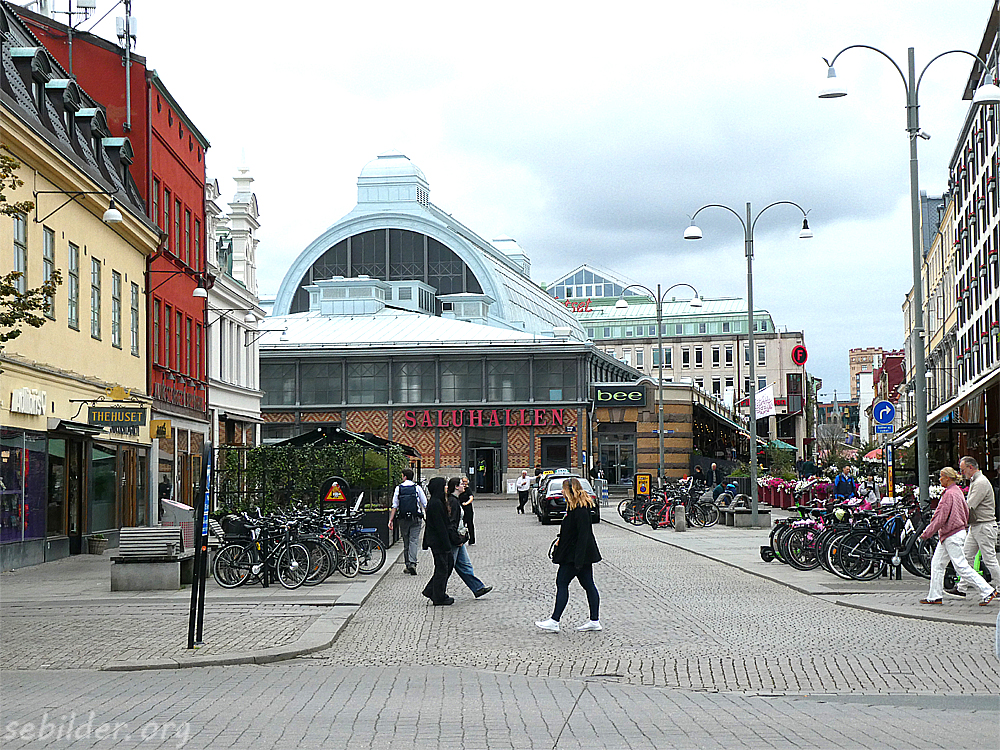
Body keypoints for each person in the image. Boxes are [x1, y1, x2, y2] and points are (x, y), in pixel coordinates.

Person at [919, 467, 998, 606]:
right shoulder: (957, 492)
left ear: (948, 478)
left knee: (961, 566)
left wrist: (927, 533)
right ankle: (934, 596)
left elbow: (940, 518)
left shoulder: (949, 494)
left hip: (951, 534)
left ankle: (987, 590)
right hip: (953, 533)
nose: (939, 479)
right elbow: (966, 510)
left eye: (941, 476)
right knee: (937, 564)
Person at [536, 477, 602, 633]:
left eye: (563, 489)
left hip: (575, 556)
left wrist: (578, 560)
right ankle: (594, 620)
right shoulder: (575, 507)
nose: (561, 492)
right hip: (578, 555)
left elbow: (583, 536)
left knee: (562, 583)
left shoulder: (580, 509)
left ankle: (555, 620)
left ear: (570, 490)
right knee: (588, 585)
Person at [949, 456, 1000, 599]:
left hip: (984, 525)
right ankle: (961, 587)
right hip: (977, 525)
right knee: (967, 557)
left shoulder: (980, 482)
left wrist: (955, 516)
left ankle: (999, 587)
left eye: (963, 470)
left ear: (971, 467)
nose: (962, 473)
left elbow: (969, 505)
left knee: (989, 559)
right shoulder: (976, 481)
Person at [446, 477, 492, 599]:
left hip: (459, 538)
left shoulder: (455, 499)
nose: (464, 485)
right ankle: (433, 589)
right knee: (447, 567)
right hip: (456, 538)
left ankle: (478, 588)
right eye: (461, 484)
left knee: (465, 565)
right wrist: (457, 539)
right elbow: (452, 523)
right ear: (456, 486)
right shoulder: (453, 501)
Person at [420, 477, 455, 605]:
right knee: (442, 568)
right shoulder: (436, 504)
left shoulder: (437, 502)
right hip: (438, 542)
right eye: (444, 485)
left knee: (447, 565)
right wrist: (446, 544)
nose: (446, 488)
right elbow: (440, 527)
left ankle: (431, 590)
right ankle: (438, 596)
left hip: (438, 540)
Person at [388, 468, 427, 575]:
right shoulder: (417, 488)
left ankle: (407, 564)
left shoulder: (398, 488)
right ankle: (413, 563)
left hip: (403, 518)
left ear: (404, 477)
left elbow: (395, 505)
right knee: (414, 540)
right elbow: (424, 503)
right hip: (416, 518)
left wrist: (391, 520)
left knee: (406, 541)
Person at [459, 476, 476, 544]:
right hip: (460, 508)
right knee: (461, 524)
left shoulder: (468, 489)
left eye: (465, 482)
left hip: (468, 509)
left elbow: (471, 498)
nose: (464, 483)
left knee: (470, 524)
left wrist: (466, 503)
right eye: (463, 481)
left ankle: (472, 539)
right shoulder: (460, 489)